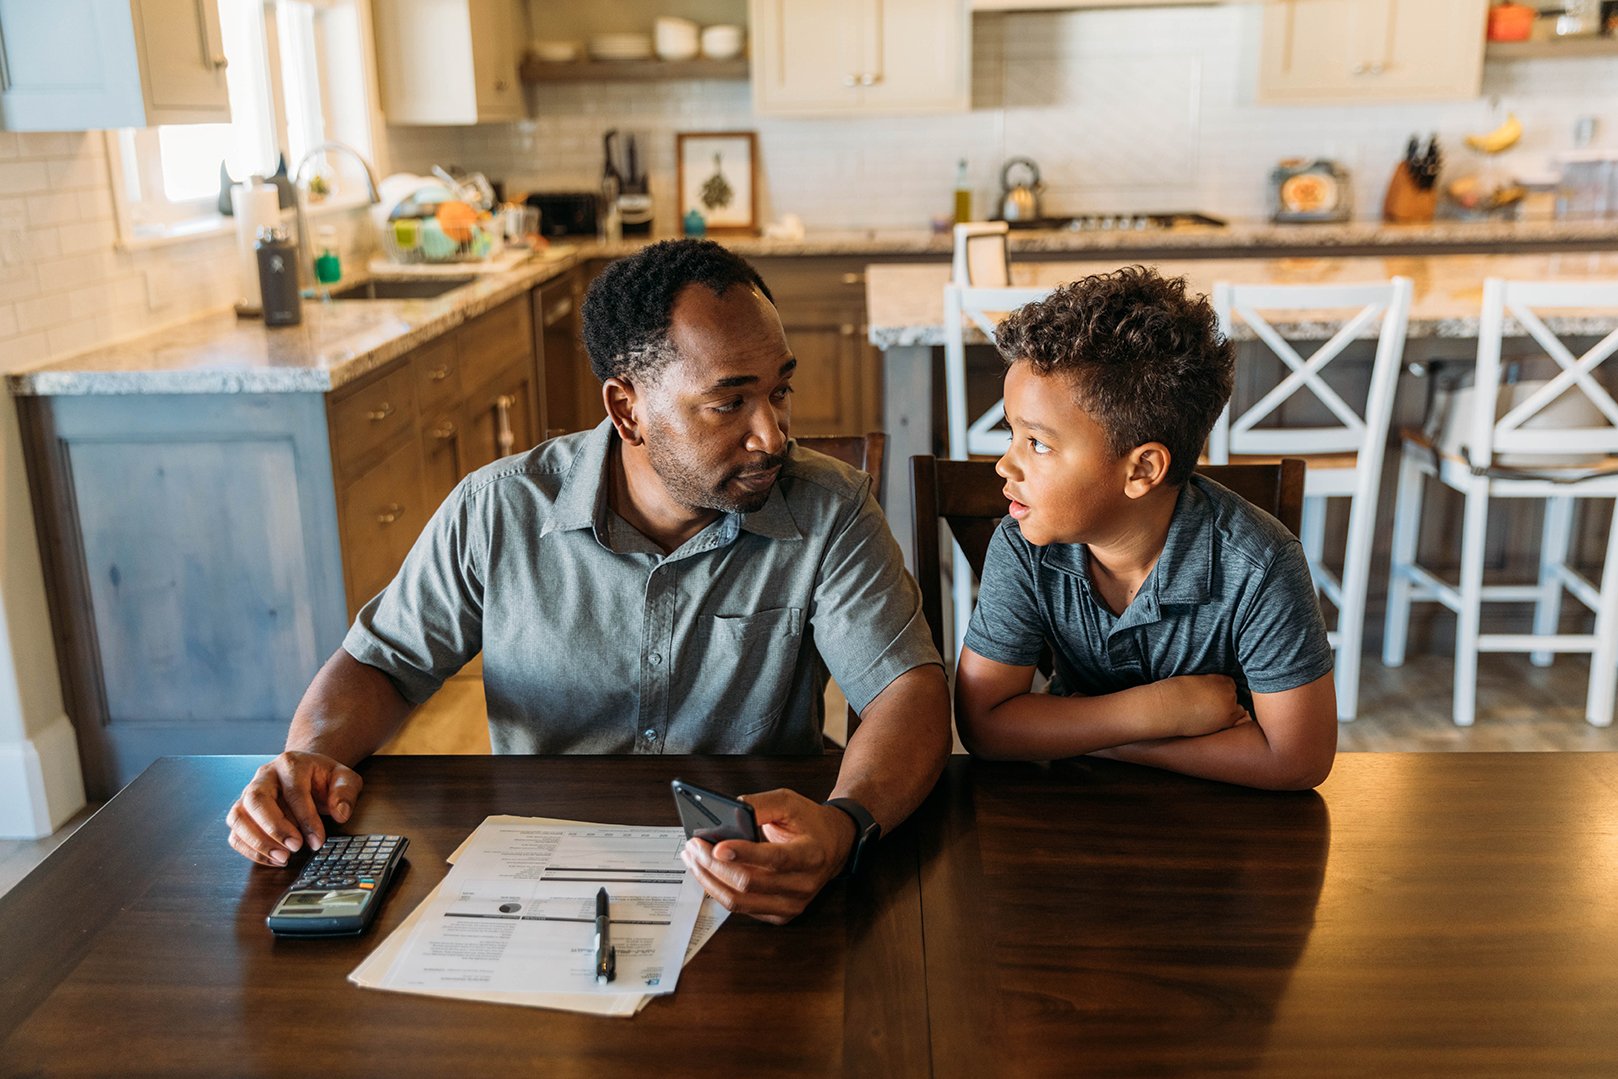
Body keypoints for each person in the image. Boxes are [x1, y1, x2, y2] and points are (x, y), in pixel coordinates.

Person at [226, 239, 951, 921]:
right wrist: (309, 762)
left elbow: (906, 691)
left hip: (755, 870)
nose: (773, 434)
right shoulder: (497, 509)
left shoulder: (831, 506)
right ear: (626, 409)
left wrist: (845, 820)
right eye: (730, 402)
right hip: (544, 877)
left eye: (780, 391)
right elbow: (380, 664)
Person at [954, 266, 1337, 790]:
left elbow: (1298, 760)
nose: (1005, 466)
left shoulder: (1259, 564)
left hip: (1227, 832)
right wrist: (1159, 712)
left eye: (1038, 444)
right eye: (1011, 434)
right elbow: (985, 725)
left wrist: (1084, 732)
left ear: (1142, 470)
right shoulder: (1024, 546)